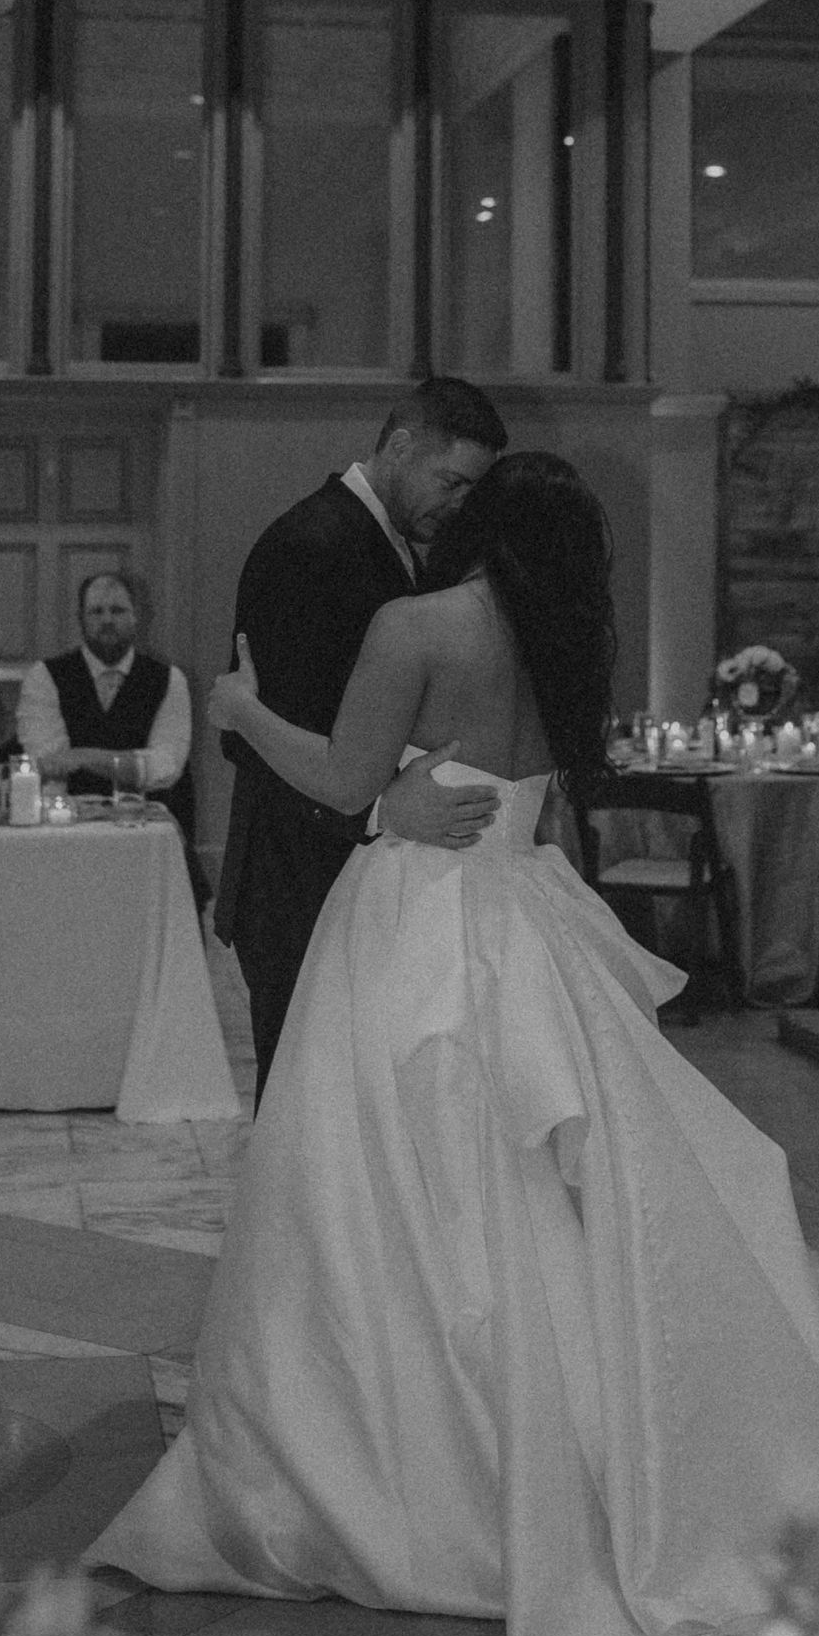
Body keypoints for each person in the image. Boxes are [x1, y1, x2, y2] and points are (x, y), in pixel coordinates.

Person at [87, 451, 819, 1636]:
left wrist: (240, 713)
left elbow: (346, 778)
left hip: (416, 927)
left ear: (485, 525)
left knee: (385, 1204)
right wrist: (404, 801)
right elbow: (533, 807)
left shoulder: (417, 624)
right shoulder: (563, 647)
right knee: (547, 1212)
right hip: (524, 918)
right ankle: (575, 1459)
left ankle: (417, 1482)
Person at [214, 374, 509, 1104]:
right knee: (302, 1118)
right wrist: (378, 811)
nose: (459, 504)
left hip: (363, 882)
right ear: (401, 445)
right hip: (298, 884)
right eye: (450, 480)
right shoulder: (312, 545)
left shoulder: (397, 545)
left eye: (472, 489)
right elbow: (261, 739)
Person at [16, 571, 200, 895]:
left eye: (117, 611)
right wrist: (128, 765)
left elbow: (166, 767)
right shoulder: (44, 677)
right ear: (81, 619)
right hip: (66, 842)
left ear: (137, 616)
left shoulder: (171, 680)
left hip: (149, 842)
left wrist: (85, 756)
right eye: (96, 612)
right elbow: (49, 761)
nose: (107, 620)